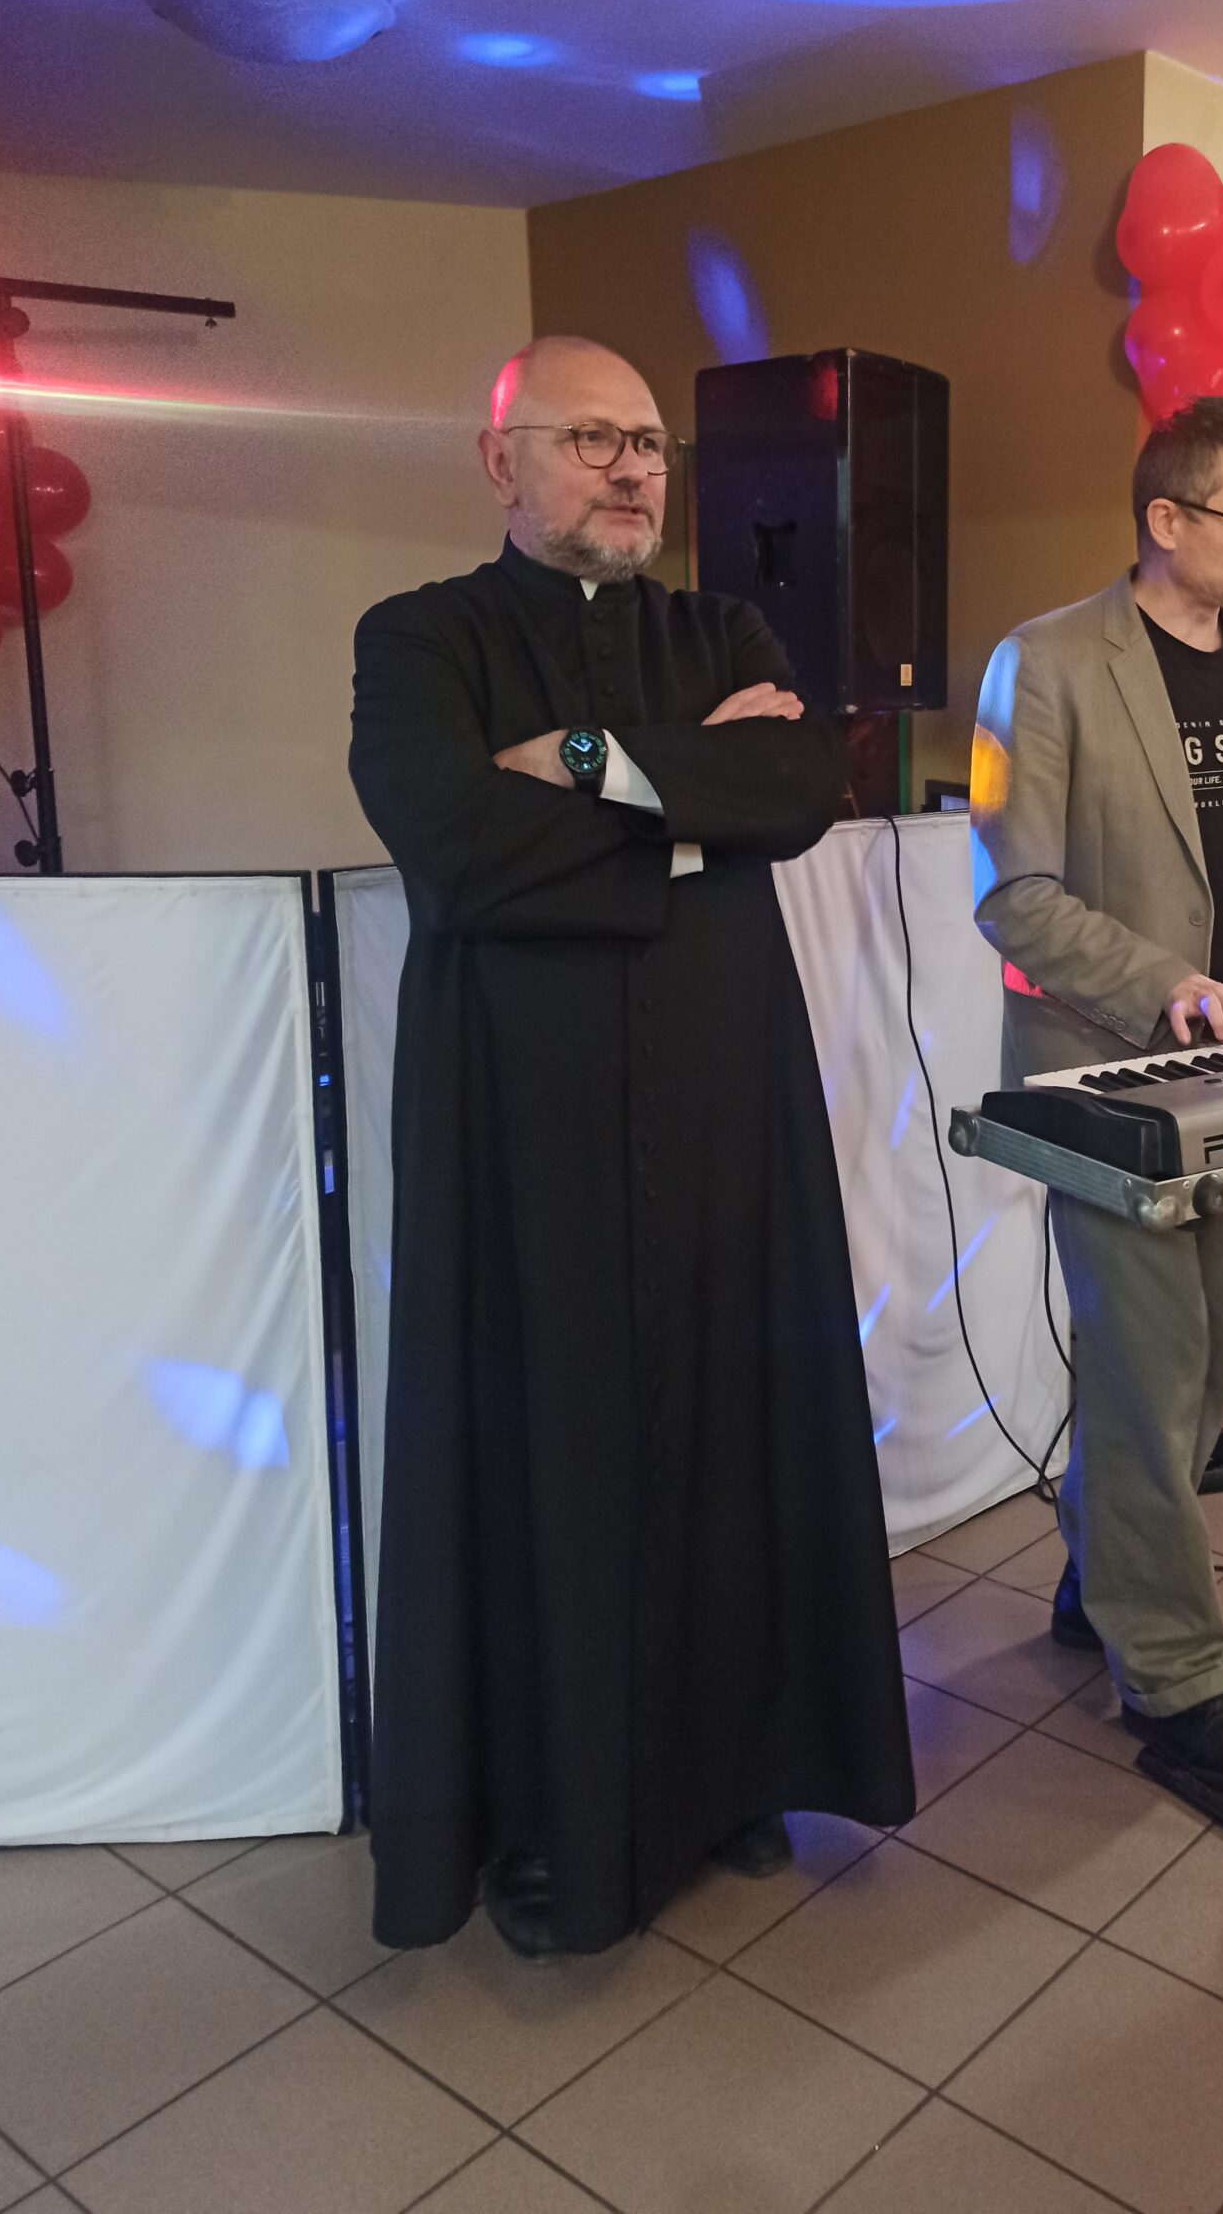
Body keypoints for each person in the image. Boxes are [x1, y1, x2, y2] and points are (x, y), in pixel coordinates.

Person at [348, 335, 913, 1958]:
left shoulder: (720, 629)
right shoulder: (422, 638)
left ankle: (733, 1771)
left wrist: (588, 766)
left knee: (730, 1431)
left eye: (649, 444)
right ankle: (557, 1822)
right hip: (523, 1130)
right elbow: (452, 840)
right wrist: (685, 821)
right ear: (500, 460)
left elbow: (794, 790)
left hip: (725, 1108)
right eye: (591, 438)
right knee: (559, 1458)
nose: (631, 470)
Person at [969, 393, 1223, 1794]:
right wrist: (1167, 983)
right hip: (1106, 1074)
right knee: (1150, 1374)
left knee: (1201, 1363)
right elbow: (1014, 895)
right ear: (1164, 518)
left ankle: (1100, 1579)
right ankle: (1172, 1676)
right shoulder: (1040, 664)